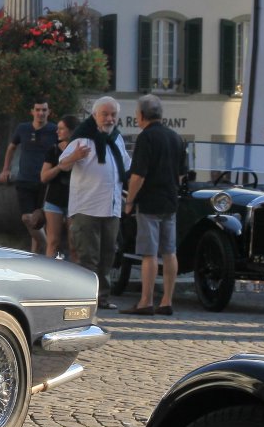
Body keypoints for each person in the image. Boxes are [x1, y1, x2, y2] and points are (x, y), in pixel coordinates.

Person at [58, 96, 130, 308]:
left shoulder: (116, 138)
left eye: (113, 115)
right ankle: (86, 300)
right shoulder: (83, 137)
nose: (109, 119)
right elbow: (62, 164)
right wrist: (75, 156)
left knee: (108, 256)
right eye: (105, 114)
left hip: (111, 208)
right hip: (87, 207)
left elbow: (126, 165)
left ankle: (103, 298)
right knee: (88, 258)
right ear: (95, 115)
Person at [123, 94, 188, 316]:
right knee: (169, 252)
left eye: (136, 114)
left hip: (149, 202)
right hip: (170, 201)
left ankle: (146, 301)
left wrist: (130, 201)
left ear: (142, 115)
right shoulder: (176, 137)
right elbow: (181, 175)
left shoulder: (146, 138)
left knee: (149, 253)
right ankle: (167, 300)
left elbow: (138, 176)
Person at [0, 98, 58, 254]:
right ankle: (49, 249)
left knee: (39, 221)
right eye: (37, 110)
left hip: (46, 181)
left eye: (44, 110)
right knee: (27, 218)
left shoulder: (54, 130)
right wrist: (6, 169)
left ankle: (35, 256)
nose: (41, 113)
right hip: (25, 179)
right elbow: (11, 148)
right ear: (32, 112)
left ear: (49, 112)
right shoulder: (23, 128)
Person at [39, 114, 80, 261]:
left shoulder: (80, 151)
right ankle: (49, 270)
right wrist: (59, 167)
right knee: (53, 241)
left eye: (61, 129)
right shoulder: (54, 150)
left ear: (71, 131)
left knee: (74, 244)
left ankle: (74, 272)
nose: (57, 132)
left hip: (74, 201)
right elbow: (44, 177)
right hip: (54, 200)